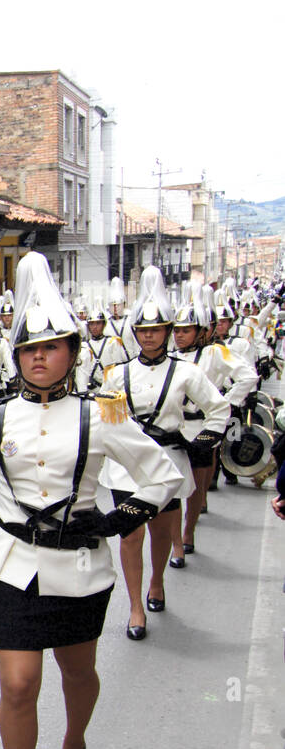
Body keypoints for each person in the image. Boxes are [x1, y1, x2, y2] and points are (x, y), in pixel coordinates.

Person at [0, 252, 183, 749]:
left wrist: (117, 518)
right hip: (10, 565)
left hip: (80, 569)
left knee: (78, 673)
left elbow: (162, 478)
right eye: (29, 347)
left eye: (52, 346)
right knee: (19, 683)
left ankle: (74, 742)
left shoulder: (99, 413)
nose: (39, 356)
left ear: (73, 352)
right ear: (15, 354)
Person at [100, 267, 230, 641]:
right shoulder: (116, 374)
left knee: (159, 532)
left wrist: (205, 439)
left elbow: (219, 409)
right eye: (143, 330)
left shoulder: (185, 372)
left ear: (168, 331)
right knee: (129, 536)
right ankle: (135, 606)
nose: (149, 336)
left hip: (168, 463)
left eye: (156, 330)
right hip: (127, 467)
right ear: (135, 332)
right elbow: (106, 424)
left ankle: (156, 582)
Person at [170, 290, 255, 565]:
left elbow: (247, 376)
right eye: (177, 330)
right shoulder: (169, 356)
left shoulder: (214, 353)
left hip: (202, 429)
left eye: (186, 330)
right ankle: (176, 545)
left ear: (202, 331)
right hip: (173, 429)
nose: (179, 335)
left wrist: (223, 403)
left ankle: (188, 532)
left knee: (196, 489)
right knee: (171, 491)